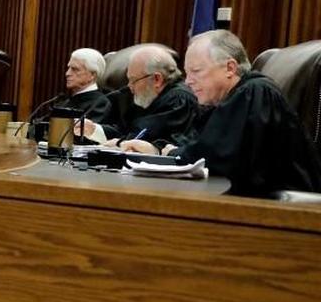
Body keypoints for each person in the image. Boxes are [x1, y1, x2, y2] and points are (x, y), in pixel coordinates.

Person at [121, 30, 321, 197]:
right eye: (187, 73)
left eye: (196, 71)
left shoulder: (255, 92)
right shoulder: (226, 101)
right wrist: (157, 150)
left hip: (280, 214)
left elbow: (217, 159)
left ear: (230, 68)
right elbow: (196, 143)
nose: (188, 81)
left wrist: (172, 154)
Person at [82, 45, 196, 146]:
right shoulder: (147, 97)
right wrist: (94, 130)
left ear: (157, 79)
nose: (129, 86)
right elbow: (126, 131)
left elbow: (146, 136)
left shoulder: (179, 99)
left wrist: (119, 143)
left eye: (133, 80)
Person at [63, 48, 111, 122]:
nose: (67, 73)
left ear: (92, 75)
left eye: (75, 69)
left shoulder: (100, 104)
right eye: (68, 68)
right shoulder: (64, 103)